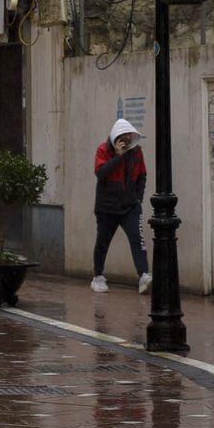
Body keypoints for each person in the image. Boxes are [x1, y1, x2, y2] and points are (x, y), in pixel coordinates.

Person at [91, 118, 151, 295]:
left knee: (137, 239)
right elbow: (101, 173)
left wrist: (138, 199)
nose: (127, 139)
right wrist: (118, 157)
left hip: (130, 206)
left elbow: (142, 176)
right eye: (123, 136)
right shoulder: (103, 150)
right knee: (103, 242)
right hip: (107, 207)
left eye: (129, 136)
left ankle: (143, 275)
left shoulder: (137, 152)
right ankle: (98, 276)